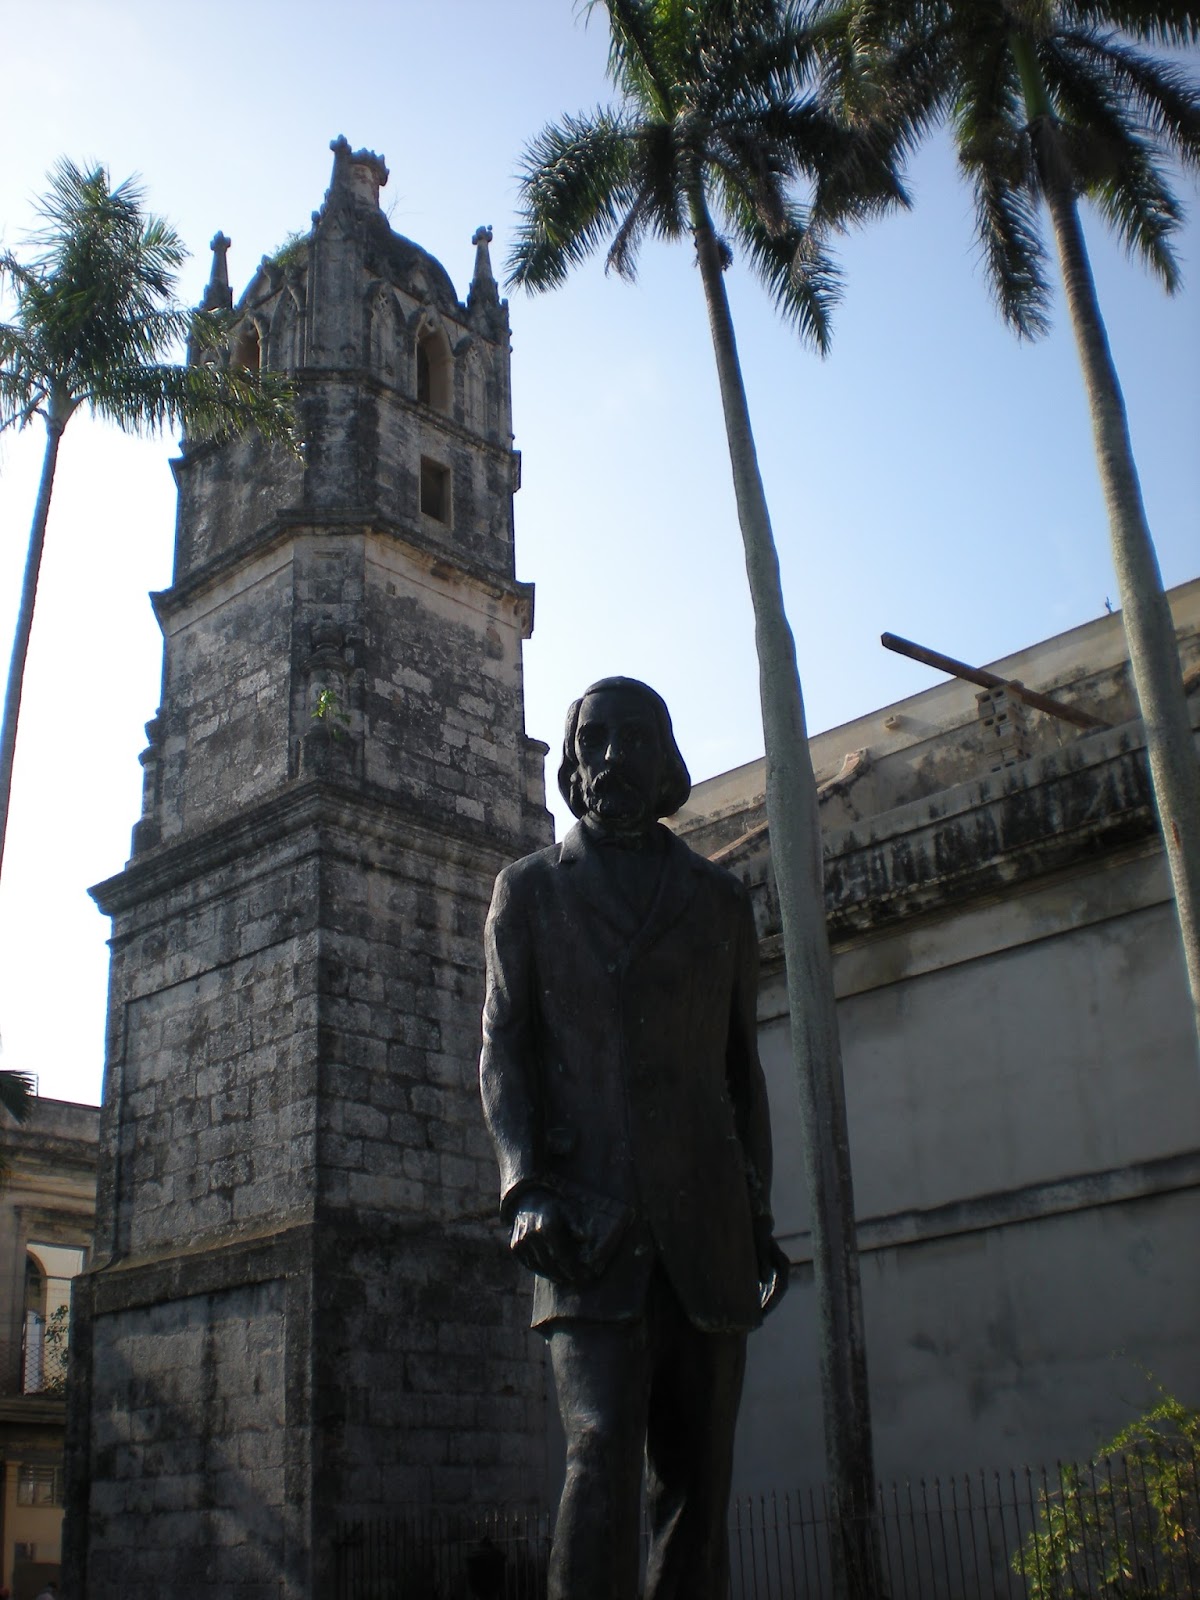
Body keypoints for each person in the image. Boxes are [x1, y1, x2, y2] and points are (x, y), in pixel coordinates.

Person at [480, 677, 788, 1600]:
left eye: (635, 738)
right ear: (572, 766)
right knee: (601, 1452)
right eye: (595, 739)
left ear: (667, 763)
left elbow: (741, 1075)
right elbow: (504, 1054)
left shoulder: (721, 902)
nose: (612, 755)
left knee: (700, 1485)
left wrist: (757, 1216)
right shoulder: (529, 891)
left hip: (708, 1234)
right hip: (583, 1230)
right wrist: (525, 1184)